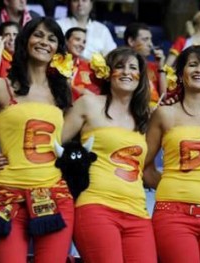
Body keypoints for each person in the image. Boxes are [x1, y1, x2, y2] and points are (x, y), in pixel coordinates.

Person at [0, 17, 73, 262]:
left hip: (55, 196)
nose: (44, 42)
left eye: (52, 38)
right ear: (25, 41)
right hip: (8, 198)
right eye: (38, 35)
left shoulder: (62, 90)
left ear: (58, 49)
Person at [62, 46, 156, 262]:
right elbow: (54, 145)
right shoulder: (88, 104)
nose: (126, 72)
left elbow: (147, 171)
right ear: (107, 72)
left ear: (140, 77)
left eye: (133, 68)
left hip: (137, 212)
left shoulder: (146, 117)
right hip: (96, 206)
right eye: (119, 66)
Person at [144, 45, 200, 263]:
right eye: (192, 64)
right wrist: (172, 186)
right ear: (181, 73)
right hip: (172, 214)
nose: (199, 70)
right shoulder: (164, 114)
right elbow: (142, 166)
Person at [124, 22, 166, 106]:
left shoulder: (154, 66)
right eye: (145, 39)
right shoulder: (123, 67)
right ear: (131, 41)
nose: (151, 44)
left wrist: (161, 67)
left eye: (150, 39)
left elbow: (163, 96)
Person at [65, 27, 102, 101]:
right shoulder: (54, 63)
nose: (81, 44)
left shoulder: (89, 67)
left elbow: (96, 95)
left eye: (84, 42)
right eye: (77, 39)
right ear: (66, 41)